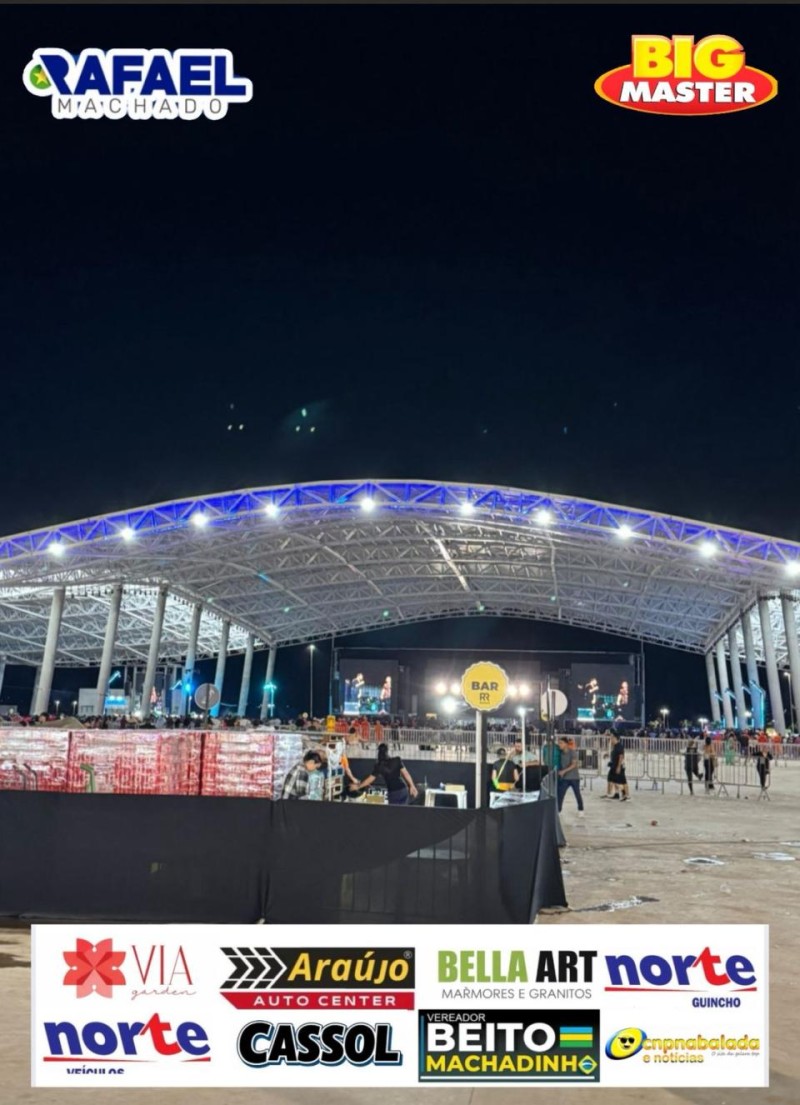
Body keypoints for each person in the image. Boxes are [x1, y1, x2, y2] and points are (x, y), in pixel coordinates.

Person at [556, 737, 584, 816]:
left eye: (561, 743)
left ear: (566, 744)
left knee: (577, 794)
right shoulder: (560, 753)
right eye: (559, 743)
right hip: (565, 778)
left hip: (574, 777)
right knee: (560, 794)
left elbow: (574, 764)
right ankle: (558, 810)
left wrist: (564, 771)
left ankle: (581, 809)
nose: (559, 745)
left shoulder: (572, 752)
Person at [602, 733, 625, 799]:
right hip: (613, 765)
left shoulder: (619, 746)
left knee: (612, 780)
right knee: (613, 780)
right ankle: (617, 793)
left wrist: (618, 767)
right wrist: (607, 755)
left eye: (612, 737)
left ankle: (622, 792)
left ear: (615, 738)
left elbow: (621, 756)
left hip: (616, 765)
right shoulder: (614, 745)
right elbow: (613, 754)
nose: (610, 739)